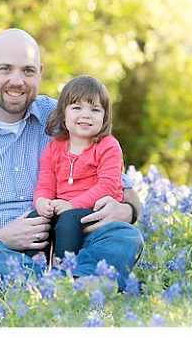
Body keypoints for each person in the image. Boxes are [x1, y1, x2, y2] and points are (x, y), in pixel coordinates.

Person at [0, 29, 144, 290]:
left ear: (40, 72)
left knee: (124, 236)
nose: (17, 81)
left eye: (27, 71)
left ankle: (62, 282)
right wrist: (2, 237)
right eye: (5, 69)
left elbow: (125, 189)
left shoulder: (62, 116)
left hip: (67, 242)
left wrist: (128, 209)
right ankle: (72, 287)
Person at [32, 74, 123, 266]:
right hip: (65, 208)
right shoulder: (53, 148)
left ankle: (63, 273)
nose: (86, 115)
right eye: (77, 108)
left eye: (95, 109)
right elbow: (45, 183)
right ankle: (32, 270)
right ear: (63, 115)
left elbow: (107, 186)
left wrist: (71, 205)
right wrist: (42, 201)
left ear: (104, 117)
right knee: (35, 219)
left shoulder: (108, 146)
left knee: (67, 220)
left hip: (95, 212)